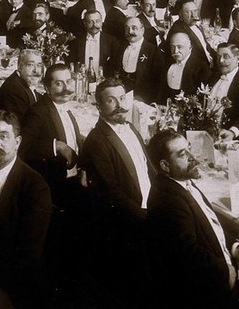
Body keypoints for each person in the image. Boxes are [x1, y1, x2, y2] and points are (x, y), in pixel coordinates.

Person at [146, 129, 239, 309]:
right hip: (212, 288)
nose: (193, 158)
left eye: (189, 149)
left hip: (223, 265)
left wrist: (237, 250)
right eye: (182, 154)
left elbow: (210, 225)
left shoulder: (180, 182)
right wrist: (227, 272)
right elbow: (189, 256)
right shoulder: (168, 201)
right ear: (165, 165)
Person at [80, 78, 154, 307]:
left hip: (149, 206)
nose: (120, 105)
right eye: (111, 101)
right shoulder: (97, 141)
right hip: (126, 223)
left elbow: (148, 170)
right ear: (99, 106)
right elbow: (112, 194)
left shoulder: (130, 127)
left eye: (122, 98)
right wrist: (148, 217)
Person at [0, 111, 52, 308]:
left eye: (3, 136)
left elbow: (27, 257)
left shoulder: (35, 187)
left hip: (9, 285)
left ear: (17, 142)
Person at [108, 17, 164, 104]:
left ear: (142, 30)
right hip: (120, 97)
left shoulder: (153, 51)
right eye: (127, 28)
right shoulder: (119, 48)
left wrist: (144, 99)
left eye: (134, 28)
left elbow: (157, 82)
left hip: (143, 99)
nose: (130, 31)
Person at [0, 49, 42, 119]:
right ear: (19, 67)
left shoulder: (24, 80)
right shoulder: (15, 91)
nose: (36, 70)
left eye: (39, 65)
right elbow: (23, 123)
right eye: (30, 65)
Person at [162, 32, 211, 101]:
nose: (175, 51)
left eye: (179, 47)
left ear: (190, 48)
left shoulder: (201, 68)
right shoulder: (166, 63)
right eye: (172, 47)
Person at [168, 1, 215, 66]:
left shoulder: (194, 24)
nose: (193, 15)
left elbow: (205, 46)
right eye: (188, 12)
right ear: (180, 14)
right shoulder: (178, 31)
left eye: (195, 11)